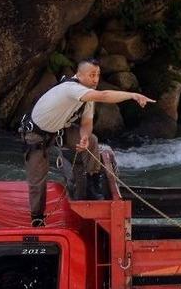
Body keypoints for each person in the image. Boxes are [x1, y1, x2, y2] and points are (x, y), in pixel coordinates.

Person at [20, 58, 154, 227]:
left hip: (59, 129)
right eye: (91, 75)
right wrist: (133, 95)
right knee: (38, 178)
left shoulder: (87, 96)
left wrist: (83, 137)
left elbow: (86, 124)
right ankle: (37, 217)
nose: (96, 79)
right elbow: (104, 96)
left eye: (98, 75)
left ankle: (93, 184)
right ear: (79, 74)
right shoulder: (71, 89)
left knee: (91, 140)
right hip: (35, 135)